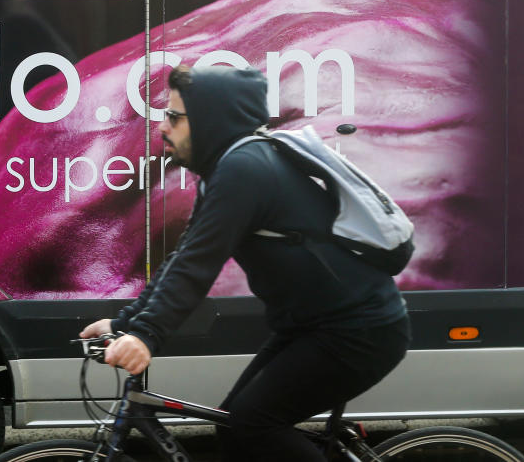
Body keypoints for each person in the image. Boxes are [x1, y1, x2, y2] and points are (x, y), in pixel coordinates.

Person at [79, 64, 410, 461]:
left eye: (174, 116)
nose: (163, 127)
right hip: (315, 328)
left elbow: (197, 269)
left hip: (359, 332)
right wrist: (126, 323)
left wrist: (147, 335)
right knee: (233, 424)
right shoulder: (229, 168)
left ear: (209, 122)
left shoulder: (244, 170)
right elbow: (182, 261)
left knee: (253, 422)